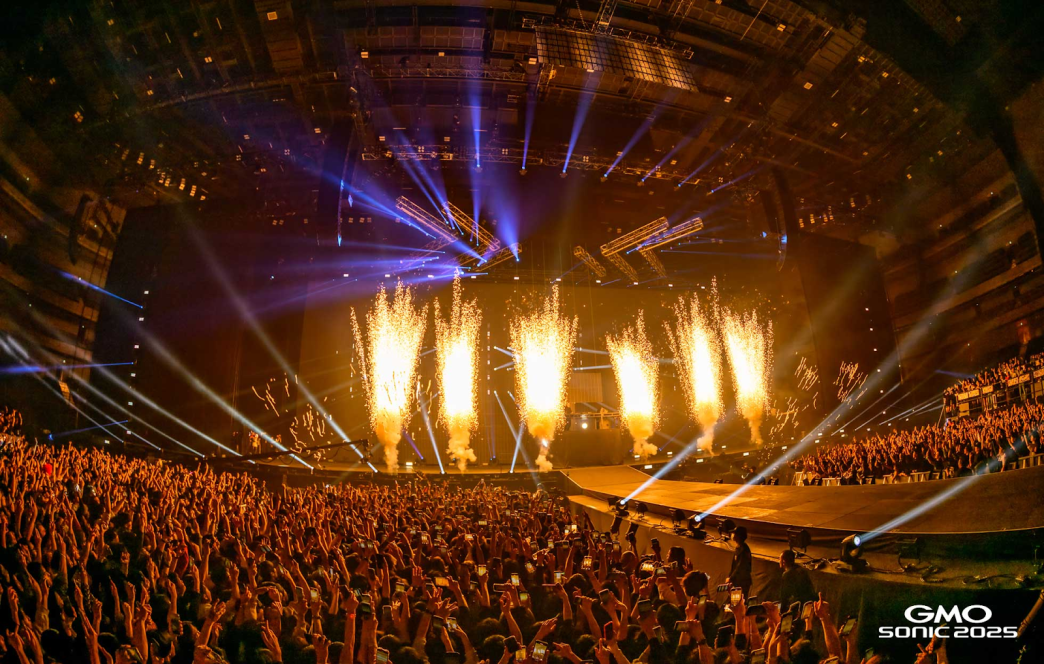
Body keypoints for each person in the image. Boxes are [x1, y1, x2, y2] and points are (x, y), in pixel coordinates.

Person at [726, 527, 752, 598]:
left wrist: (731, 578)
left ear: (738, 536)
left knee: (739, 600)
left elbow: (740, 566)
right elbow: (734, 565)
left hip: (742, 582)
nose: (733, 535)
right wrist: (730, 576)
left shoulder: (744, 549)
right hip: (737, 581)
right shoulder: (738, 548)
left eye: (734, 534)